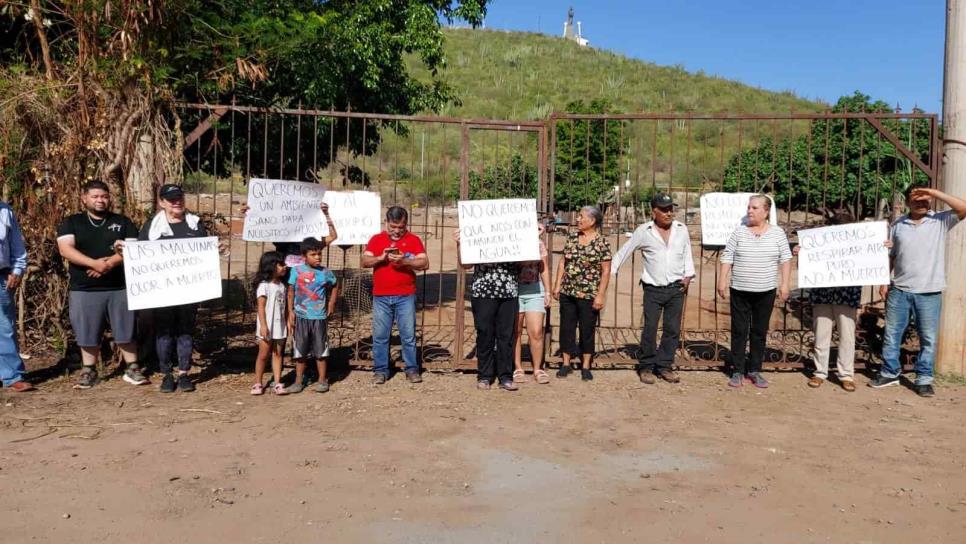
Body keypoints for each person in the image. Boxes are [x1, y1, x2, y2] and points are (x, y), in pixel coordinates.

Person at [870, 186, 966, 397]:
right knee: (892, 334)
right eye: (916, 199)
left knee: (928, 338)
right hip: (900, 289)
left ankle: (923, 379)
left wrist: (933, 192)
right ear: (907, 202)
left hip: (929, 291)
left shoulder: (940, 221)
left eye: (925, 200)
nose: (921, 203)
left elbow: (963, 207)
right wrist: (884, 281)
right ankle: (890, 373)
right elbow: (892, 255)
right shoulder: (897, 225)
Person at [56, 180, 146, 389]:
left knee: (126, 329)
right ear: (84, 199)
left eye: (104, 196)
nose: (100, 200)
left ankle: (132, 368)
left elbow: (133, 249)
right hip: (84, 288)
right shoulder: (72, 222)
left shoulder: (123, 222)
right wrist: (93, 264)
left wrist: (108, 264)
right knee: (87, 331)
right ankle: (89, 370)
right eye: (95, 196)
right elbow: (65, 249)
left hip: (119, 286)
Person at [611, 193, 694, 384]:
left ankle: (664, 366)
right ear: (653, 211)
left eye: (671, 209)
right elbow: (625, 251)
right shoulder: (644, 231)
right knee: (649, 329)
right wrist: (610, 272)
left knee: (672, 329)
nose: (668, 213)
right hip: (653, 289)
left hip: (676, 288)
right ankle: (646, 366)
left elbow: (687, 253)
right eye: (664, 209)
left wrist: (688, 276)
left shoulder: (681, 230)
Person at [717, 194, 792, 389]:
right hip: (740, 290)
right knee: (739, 330)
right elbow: (727, 257)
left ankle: (755, 370)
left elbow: (785, 259)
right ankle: (737, 370)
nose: (750, 211)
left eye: (755, 208)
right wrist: (722, 281)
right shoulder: (739, 232)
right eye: (749, 207)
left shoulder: (777, 234)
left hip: (765, 290)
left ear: (766, 212)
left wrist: (785, 284)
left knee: (759, 331)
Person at [139, 184, 208, 393]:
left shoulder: (195, 224)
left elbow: (204, 254)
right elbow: (140, 254)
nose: (176, 202)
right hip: (163, 292)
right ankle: (166, 374)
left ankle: (184, 373)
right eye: (171, 199)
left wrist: (217, 250)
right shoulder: (151, 227)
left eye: (179, 197)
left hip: (189, 290)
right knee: (164, 333)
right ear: (161, 202)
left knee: (186, 331)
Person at [792, 211, 863, 392]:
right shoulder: (819, 243)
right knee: (821, 334)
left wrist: (880, 249)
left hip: (847, 294)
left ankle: (846, 374)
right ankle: (820, 372)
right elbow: (805, 269)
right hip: (822, 293)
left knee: (847, 335)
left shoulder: (859, 244)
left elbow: (869, 263)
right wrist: (802, 254)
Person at [361, 206, 429, 384]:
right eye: (393, 227)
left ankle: (412, 369)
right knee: (381, 335)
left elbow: (424, 262)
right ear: (386, 223)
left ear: (406, 224)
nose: (397, 231)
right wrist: (380, 258)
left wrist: (405, 261)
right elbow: (364, 261)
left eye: (401, 227)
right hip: (381, 296)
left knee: (408, 335)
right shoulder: (376, 240)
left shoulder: (413, 240)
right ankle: (380, 370)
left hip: (405, 295)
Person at [454, 231, 520, 392]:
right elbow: (466, 264)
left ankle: (505, 376)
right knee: (485, 334)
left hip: (509, 291)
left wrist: (533, 238)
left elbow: (526, 260)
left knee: (506, 335)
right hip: (483, 292)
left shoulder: (514, 235)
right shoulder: (479, 235)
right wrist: (460, 244)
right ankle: (485, 375)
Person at [552, 205, 611, 381]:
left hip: (589, 294)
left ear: (592, 221)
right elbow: (563, 263)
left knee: (587, 329)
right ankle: (566, 363)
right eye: (578, 216)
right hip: (568, 292)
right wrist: (557, 286)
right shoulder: (572, 238)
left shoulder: (602, 242)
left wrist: (600, 295)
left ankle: (586, 365)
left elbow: (606, 271)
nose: (577, 219)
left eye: (581, 217)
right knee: (566, 327)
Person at [286, 237, 339, 393]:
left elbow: (335, 285)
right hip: (301, 316)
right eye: (313, 254)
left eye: (319, 254)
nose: (318, 257)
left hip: (319, 317)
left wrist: (331, 303)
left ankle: (322, 380)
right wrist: (290, 311)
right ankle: (298, 381)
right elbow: (291, 291)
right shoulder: (296, 271)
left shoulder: (325, 273)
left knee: (320, 350)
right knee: (300, 350)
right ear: (304, 256)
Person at [512, 222, 552, 384]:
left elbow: (543, 268)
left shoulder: (539, 244)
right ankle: (518, 367)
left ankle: (538, 368)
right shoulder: (511, 243)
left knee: (536, 332)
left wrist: (547, 291)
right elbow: (516, 262)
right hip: (514, 291)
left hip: (536, 291)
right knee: (516, 332)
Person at [239, 201, 337, 266]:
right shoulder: (283, 235)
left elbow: (333, 236)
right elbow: (264, 226)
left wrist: (326, 214)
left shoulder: (312, 241)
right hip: (284, 276)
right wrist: (251, 211)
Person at [0, 200, 30, 392]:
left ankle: (12, 376)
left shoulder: (5, 211)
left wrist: (18, 269)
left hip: (1, 277)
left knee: (5, 328)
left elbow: (16, 244)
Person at [251, 251, 289, 395]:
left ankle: (278, 383)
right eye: (281, 264)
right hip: (266, 325)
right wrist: (264, 326)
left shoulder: (282, 286)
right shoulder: (264, 286)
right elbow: (261, 306)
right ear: (271, 266)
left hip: (280, 325)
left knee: (278, 353)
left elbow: (284, 306)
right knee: (263, 354)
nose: (284, 267)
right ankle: (258, 383)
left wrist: (287, 322)